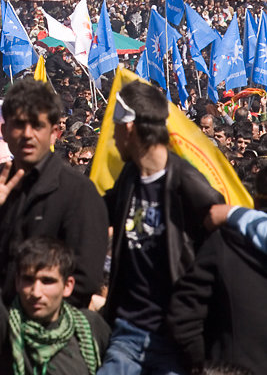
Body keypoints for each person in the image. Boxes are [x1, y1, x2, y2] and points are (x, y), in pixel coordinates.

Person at [0, 80, 108, 375]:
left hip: (49, 325)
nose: (27, 134)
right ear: (5, 132)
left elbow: (85, 280)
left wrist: (22, 326)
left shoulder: (78, 192)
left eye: (36, 125)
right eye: (18, 125)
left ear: (55, 133)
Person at [97, 80, 224, 375]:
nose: (112, 137)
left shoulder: (187, 184)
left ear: (128, 128)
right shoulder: (129, 176)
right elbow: (98, 212)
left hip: (173, 338)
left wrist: (191, 323)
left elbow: (216, 252)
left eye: (114, 127)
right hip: (126, 333)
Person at [0, 162, 109, 374]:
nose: (36, 292)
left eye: (47, 281)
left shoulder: (91, 327)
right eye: (28, 280)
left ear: (68, 285)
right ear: (17, 282)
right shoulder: (3, 329)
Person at [168, 190, 267, 375]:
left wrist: (203, 366)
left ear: (256, 199)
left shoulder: (226, 241)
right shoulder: (226, 242)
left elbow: (184, 315)